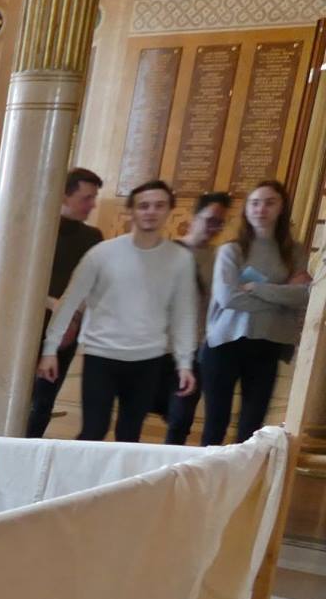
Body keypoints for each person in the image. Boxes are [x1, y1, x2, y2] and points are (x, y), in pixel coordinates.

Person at [38, 179, 197, 443]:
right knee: (93, 431)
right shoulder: (102, 254)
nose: (151, 211)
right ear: (131, 210)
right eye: (144, 206)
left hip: (148, 359)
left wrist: (184, 363)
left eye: (159, 205)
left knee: (129, 435)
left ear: (169, 210)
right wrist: (50, 349)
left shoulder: (180, 259)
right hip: (102, 357)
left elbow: (184, 314)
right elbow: (69, 301)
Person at [201, 181, 313, 446]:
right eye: (255, 203)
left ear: (281, 208)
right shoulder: (231, 250)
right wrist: (281, 295)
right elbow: (228, 298)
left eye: (269, 203)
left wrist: (256, 288)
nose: (261, 209)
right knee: (215, 424)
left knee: (252, 427)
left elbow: (304, 296)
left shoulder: (294, 252)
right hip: (225, 342)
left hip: (268, 343)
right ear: (246, 209)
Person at [24, 167, 104, 437]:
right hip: (27, 327)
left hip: (67, 331)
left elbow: (93, 286)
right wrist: (52, 304)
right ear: (64, 196)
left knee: (43, 401)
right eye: (86, 198)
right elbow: (17, 279)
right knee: (15, 395)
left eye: (94, 197)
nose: (92, 204)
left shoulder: (93, 238)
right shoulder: (36, 230)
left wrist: (75, 318)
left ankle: (31, 448)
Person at [162, 191, 231, 444]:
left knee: (180, 419)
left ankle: (171, 465)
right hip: (160, 348)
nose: (214, 228)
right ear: (194, 216)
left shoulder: (221, 257)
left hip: (197, 349)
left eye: (220, 223)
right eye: (210, 220)